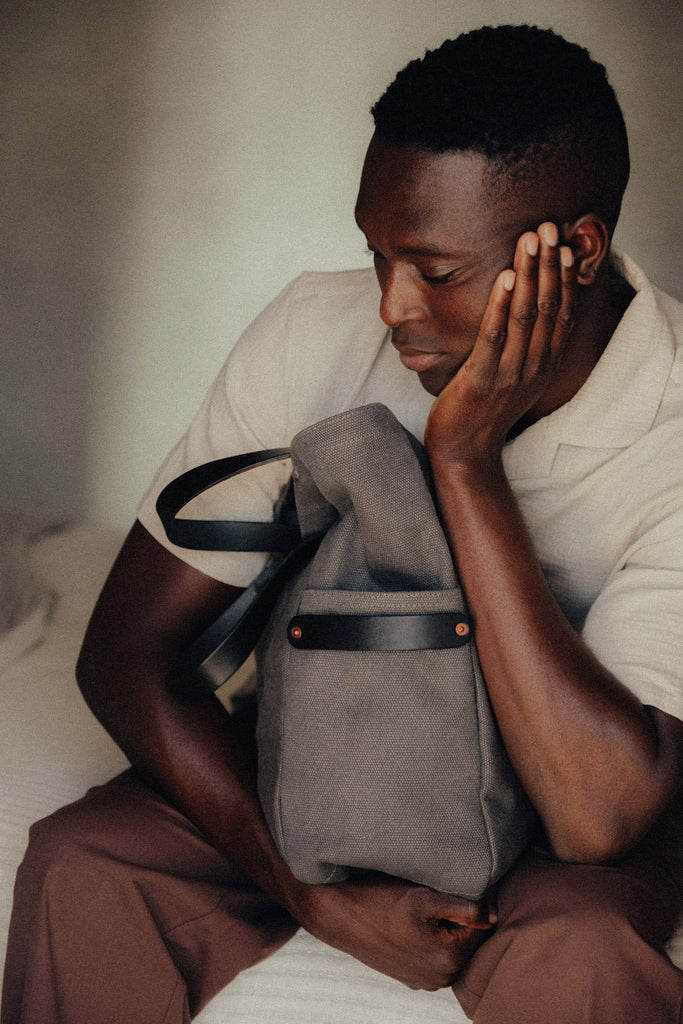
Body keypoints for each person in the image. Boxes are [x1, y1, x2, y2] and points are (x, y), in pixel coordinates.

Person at [2, 23, 682, 1024]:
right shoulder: (310, 336)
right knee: (83, 863)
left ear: (573, 252)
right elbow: (128, 655)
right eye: (375, 252)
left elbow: (598, 812)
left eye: (436, 271)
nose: (391, 306)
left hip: (569, 783)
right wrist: (305, 891)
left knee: (580, 954)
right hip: (331, 745)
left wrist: (463, 462)